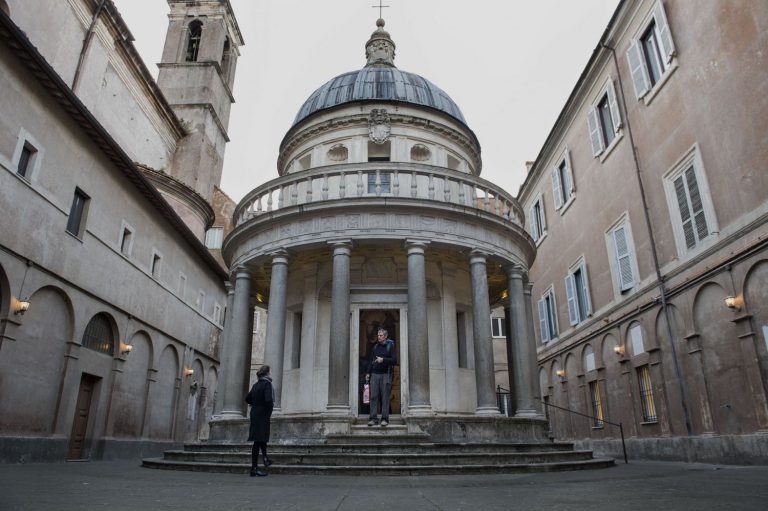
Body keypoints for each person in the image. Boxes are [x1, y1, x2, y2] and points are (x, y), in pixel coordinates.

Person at [245, 365, 274, 477]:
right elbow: (268, 400)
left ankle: (265, 459)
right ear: (267, 373)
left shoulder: (256, 385)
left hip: (255, 413)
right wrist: (268, 410)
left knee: (260, 438)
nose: (271, 373)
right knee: (258, 440)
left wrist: (255, 404)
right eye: (270, 371)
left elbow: (247, 398)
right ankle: (254, 468)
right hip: (262, 414)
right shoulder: (267, 384)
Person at [365, 328, 396, 427]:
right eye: (378, 335)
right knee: (373, 397)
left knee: (385, 397)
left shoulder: (390, 347)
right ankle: (373, 419)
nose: (379, 337)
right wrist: (368, 372)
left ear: (385, 336)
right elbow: (371, 361)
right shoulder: (375, 347)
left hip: (386, 375)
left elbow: (394, 360)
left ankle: (384, 419)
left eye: (381, 335)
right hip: (374, 374)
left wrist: (383, 360)